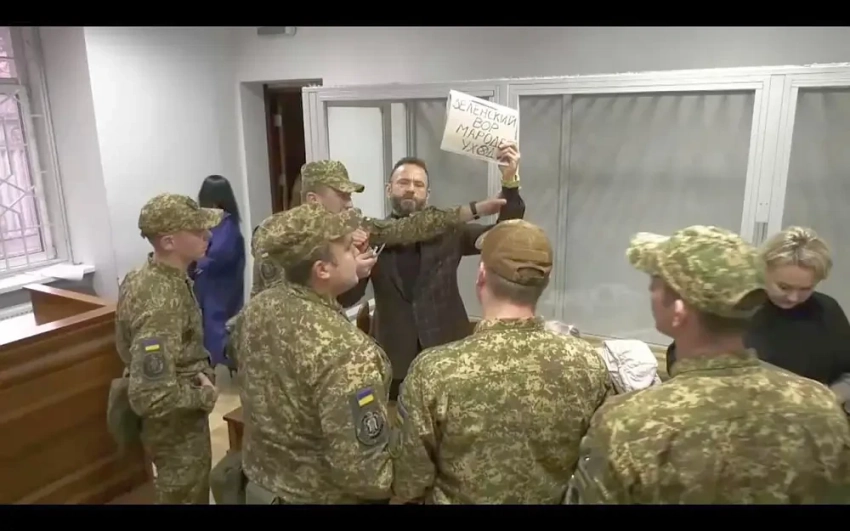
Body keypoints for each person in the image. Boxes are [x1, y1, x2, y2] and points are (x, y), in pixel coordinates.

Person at [567, 225, 850, 504]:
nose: (792, 297)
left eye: (657, 282)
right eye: (784, 286)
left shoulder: (627, 424)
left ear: (678, 310)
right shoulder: (822, 410)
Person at [392, 219, 611, 504]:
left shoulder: (435, 371)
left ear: (481, 274)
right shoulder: (588, 365)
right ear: (545, 282)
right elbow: (597, 468)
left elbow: (409, 482)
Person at [235, 203, 393, 504]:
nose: (356, 253)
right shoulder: (347, 351)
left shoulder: (258, 308)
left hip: (260, 483)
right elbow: (366, 475)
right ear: (322, 269)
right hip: (316, 495)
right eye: (347, 249)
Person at [344, 141, 526, 401]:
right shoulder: (371, 236)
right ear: (388, 189)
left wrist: (510, 181)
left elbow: (504, 234)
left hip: (449, 354)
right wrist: (356, 270)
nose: (411, 189)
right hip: (395, 361)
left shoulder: (451, 231)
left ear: (427, 195)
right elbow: (347, 298)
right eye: (403, 182)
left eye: (418, 185)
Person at [250, 159, 509, 298]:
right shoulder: (274, 235)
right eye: (342, 195)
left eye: (350, 195)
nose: (349, 203)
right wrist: (348, 269)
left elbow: (409, 227)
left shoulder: (349, 226)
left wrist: (476, 208)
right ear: (313, 200)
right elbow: (287, 299)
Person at [665, 226, 850, 408]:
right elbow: (678, 357)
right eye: (784, 287)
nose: (793, 297)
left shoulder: (827, 311)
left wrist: (831, 397)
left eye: (805, 289)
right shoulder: (731, 304)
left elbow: (847, 372)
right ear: (763, 270)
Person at [115, 193, 222, 505]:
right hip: (177, 428)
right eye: (197, 230)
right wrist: (203, 396)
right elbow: (150, 395)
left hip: (174, 421)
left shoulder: (146, 276)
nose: (208, 235)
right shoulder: (162, 302)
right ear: (168, 242)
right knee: (186, 493)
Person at [193, 175, 245, 370]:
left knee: (218, 337)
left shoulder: (227, 229)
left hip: (219, 294)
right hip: (209, 294)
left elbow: (212, 259)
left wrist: (193, 259)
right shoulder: (214, 226)